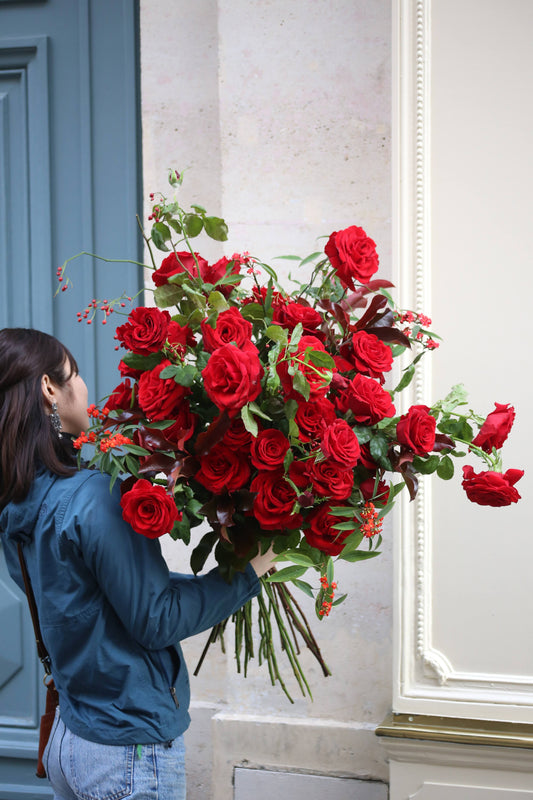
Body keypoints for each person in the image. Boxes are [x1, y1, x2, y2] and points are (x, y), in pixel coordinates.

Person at [0, 327, 276, 800]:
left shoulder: (15, 508)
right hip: (126, 752)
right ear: (49, 387)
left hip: (73, 737)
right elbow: (156, 618)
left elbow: (88, 599)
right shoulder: (94, 494)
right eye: (76, 373)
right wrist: (250, 571)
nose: (85, 386)